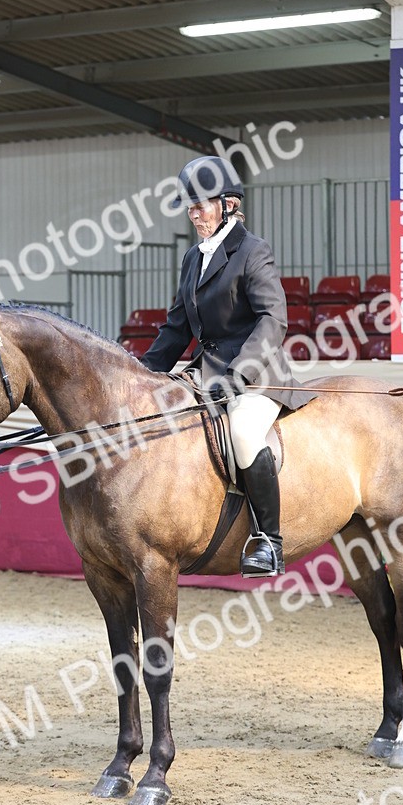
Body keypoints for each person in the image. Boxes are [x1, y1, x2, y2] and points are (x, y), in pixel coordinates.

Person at [142, 155, 316, 576]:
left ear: (229, 205)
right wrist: (141, 376)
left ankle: (268, 541)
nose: (194, 212)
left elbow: (273, 319)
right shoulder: (193, 258)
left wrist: (240, 374)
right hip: (206, 373)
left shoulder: (252, 251)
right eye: (190, 205)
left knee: (241, 432)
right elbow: (176, 328)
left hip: (257, 374)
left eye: (202, 203)